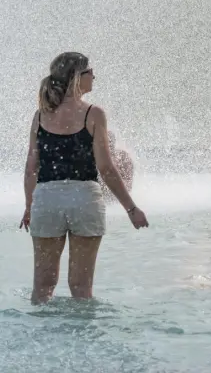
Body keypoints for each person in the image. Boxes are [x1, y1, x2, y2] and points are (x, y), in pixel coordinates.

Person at [19, 52, 149, 305]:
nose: (94, 76)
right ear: (77, 77)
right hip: (84, 201)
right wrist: (131, 209)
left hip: (46, 200)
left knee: (42, 287)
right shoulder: (93, 114)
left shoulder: (41, 115)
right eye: (90, 72)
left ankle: (38, 340)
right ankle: (85, 342)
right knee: (81, 287)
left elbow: (31, 168)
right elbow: (106, 168)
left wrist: (28, 206)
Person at [99, 131, 134, 202]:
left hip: (118, 197)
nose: (108, 145)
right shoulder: (95, 158)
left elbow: (129, 184)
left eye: (110, 142)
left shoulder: (123, 157)